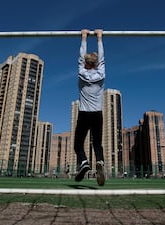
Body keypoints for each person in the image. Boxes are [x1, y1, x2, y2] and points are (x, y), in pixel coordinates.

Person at [74, 29, 105, 186]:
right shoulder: (101, 74)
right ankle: (100, 161)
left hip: (84, 114)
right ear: (97, 63)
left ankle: (84, 162)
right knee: (97, 143)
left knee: (78, 144)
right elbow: (102, 58)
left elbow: (81, 58)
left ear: (85, 63)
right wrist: (99, 38)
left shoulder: (81, 73)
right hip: (97, 114)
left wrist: (84, 37)